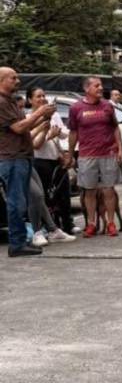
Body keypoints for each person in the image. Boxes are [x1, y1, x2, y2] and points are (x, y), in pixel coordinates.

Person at [0, 67, 56, 257]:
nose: (17, 81)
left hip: (21, 157)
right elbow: (18, 127)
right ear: (1, 81)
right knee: (16, 203)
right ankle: (17, 244)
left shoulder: (11, 102)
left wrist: (42, 120)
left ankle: (21, 240)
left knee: (21, 202)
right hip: (12, 158)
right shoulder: (1, 102)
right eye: (12, 78)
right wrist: (39, 112)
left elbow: (25, 127)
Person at [68, 76, 122, 238]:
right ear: (87, 89)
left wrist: (120, 149)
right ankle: (91, 223)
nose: (100, 88)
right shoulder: (76, 108)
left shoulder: (107, 106)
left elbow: (115, 128)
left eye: (101, 85)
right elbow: (73, 132)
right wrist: (70, 154)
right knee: (89, 191)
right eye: (97, 85)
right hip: (86, 155)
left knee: (109, 190)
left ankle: (111, 223)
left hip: (108, 154)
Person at [28, 87, 75, 240]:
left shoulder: (54, 115)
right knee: (44, 196)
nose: (42, 99)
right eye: (37, 96)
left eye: (43, 96)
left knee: (63, 194)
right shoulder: (29, 118)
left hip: (56, 159)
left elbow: (62, 134)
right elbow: (35, 143)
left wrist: (65, 153)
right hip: (40, 160)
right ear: (30, 100)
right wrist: (48, 134)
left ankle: (67, 224)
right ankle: (46, 227)